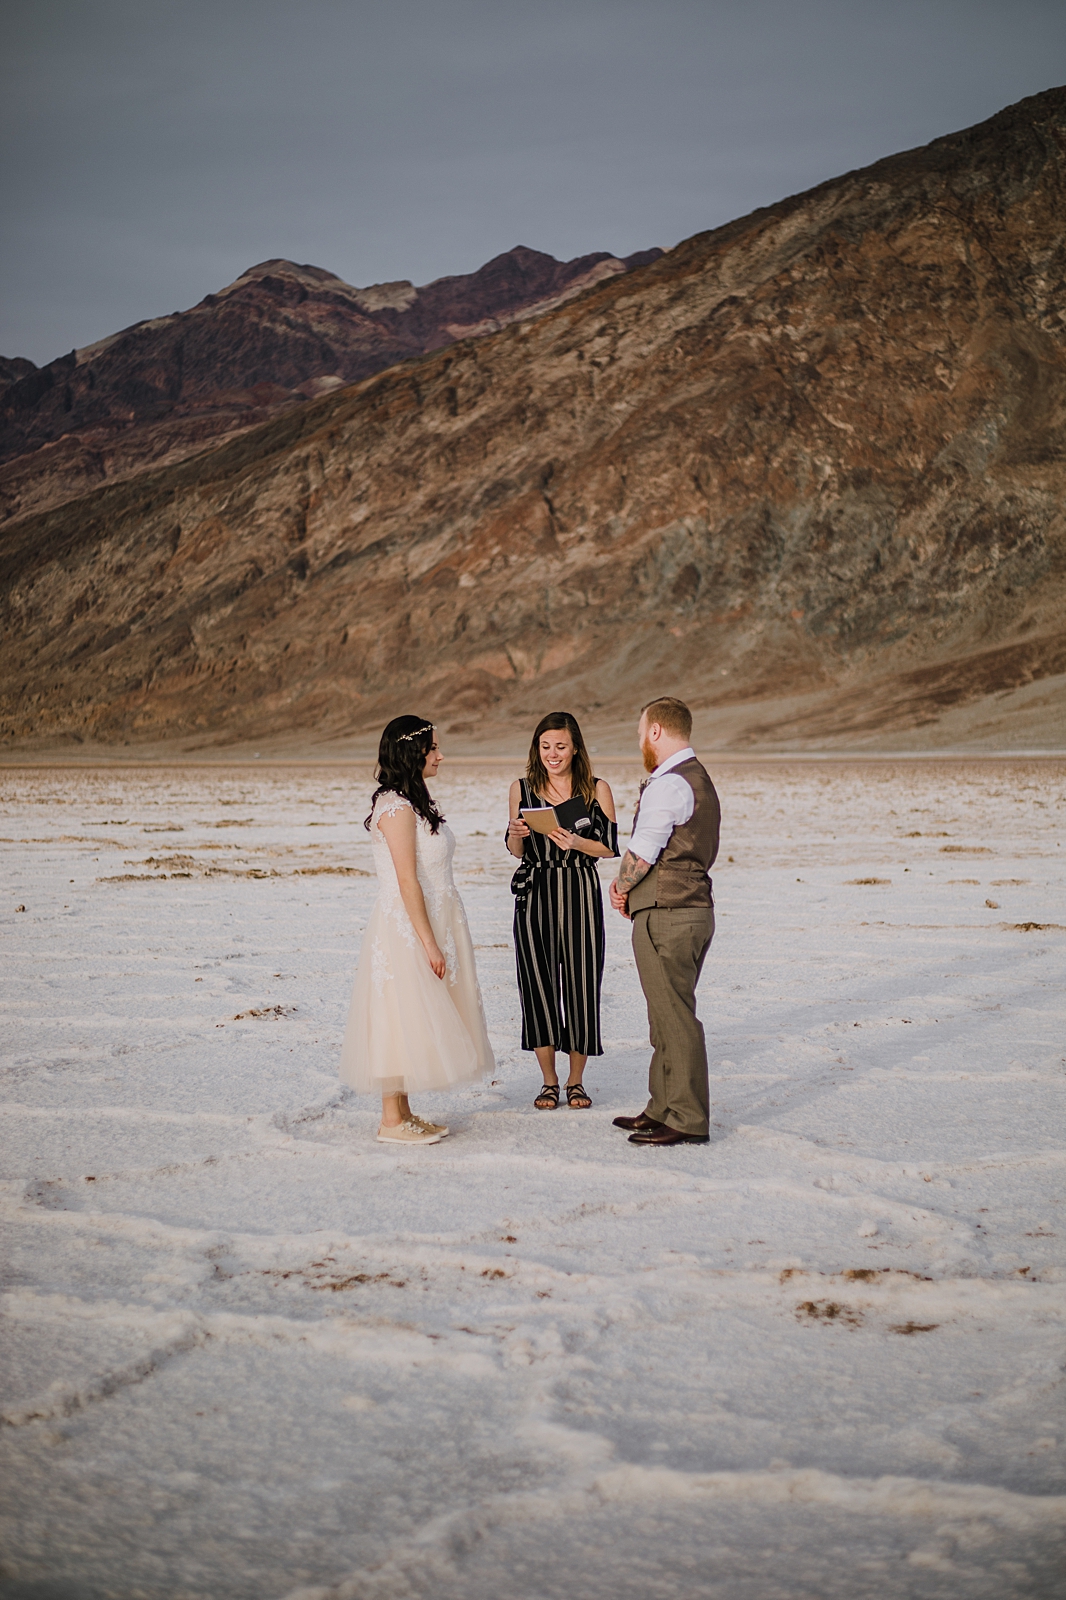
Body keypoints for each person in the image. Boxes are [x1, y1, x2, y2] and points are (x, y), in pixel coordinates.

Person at [339, 715, 494, 1144]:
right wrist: (429, 943)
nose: (441, 756)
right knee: (397, 1013)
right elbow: (407, 880)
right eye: (433, 749)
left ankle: (403, 1112)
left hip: (434, 917)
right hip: (406, 926)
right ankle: (390, 1119)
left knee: (413, 1015)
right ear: (412, 753)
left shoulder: (413, 800)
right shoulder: (394, 806)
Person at [608, 697, 721, 1146]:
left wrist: (620, 888)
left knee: (675, 1017)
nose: (639, 741)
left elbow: (643, 850)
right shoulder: (698, 779)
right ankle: (662, 1106)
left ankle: (688, 1117)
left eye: (641, 732)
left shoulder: (669, 784)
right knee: (664, 1014)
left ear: (656, 731)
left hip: (669, 914)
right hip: (689, 909)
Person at [506, 711, 619, 1110]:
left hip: (579, 890)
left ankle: (576, 1081)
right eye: (545, 746)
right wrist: (516, 834)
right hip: (535, 890)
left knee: (582, 983)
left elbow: (608, 847)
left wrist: (575, 842)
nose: (553, 754)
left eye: (561, 747)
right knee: (537, 984)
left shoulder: (596, 789)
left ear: (575, 749)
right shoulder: (521, 787)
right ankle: (548, 1081)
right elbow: (516, 851)